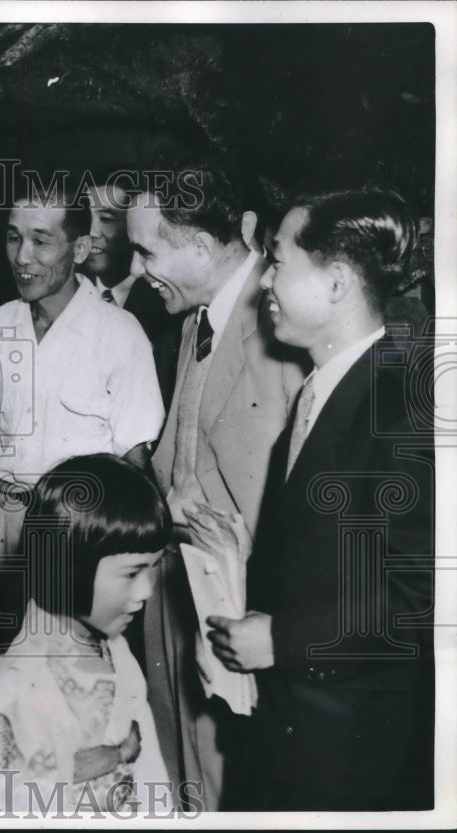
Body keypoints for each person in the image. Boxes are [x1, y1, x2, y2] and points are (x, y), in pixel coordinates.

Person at [207, 188, 434, 810]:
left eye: (278, 261)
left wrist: (282, 640)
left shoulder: (405, 405)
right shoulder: (324, 387)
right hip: (297, 731)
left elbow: (420, 598)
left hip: (354, 751)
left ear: (336, 284)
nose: (264, 281)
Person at [126, 160, 307, 810]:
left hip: (240, 608)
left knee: (230, 784)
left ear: (201, 247)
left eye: (148, 251)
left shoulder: (284, 324)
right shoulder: (192, 319)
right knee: (178, 768)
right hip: (177, 587)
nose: (137, 268)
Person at [0, 179, 164, 560]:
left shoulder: (120, 333)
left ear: (80, 249)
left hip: (82, 531)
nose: (22, 257)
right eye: (14, 238)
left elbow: (135, 461)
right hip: (6, 522)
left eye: (41, 241)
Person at [0, 454, 173, 813]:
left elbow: (151, 775)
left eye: (154, 568)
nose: (146, 591)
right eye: (131, 573)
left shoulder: (116, 650)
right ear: (67, 567)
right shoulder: (13, 691)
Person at [82, 167, 182, 409]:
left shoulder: (168, 305)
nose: (91, 232)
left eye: (107, 219)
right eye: (86, 218)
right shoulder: (68, 294)